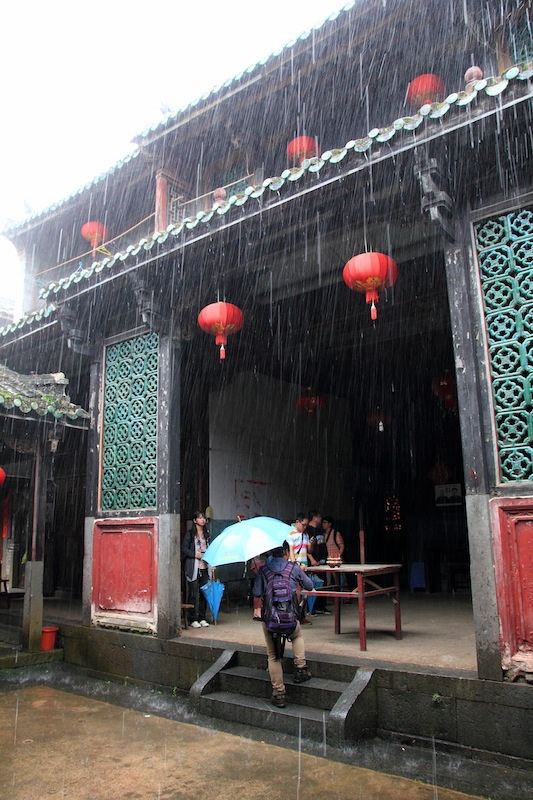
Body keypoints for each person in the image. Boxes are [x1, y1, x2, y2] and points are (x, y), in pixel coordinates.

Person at [253, 540, 313, 708]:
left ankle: (279, 693)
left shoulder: (264, 570)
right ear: (286, 552)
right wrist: (299, 573)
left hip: (271, 620)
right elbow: (309, 585)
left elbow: (256, 592)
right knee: (297, 636)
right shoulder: (293, 568)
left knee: (273, 655)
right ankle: (300, 668)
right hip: (290, 618)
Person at [181, 511, 211, 628]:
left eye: (203, 518)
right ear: (194, 520)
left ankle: (202, 617)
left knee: (204, 592)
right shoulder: (190, 534)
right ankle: (192, 618)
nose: (202, 520)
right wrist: (195, 555)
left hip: (205, 567)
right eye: (199, 518)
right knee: (193, 593)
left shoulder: (207, 534)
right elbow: (184, 549)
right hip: (193, 566)